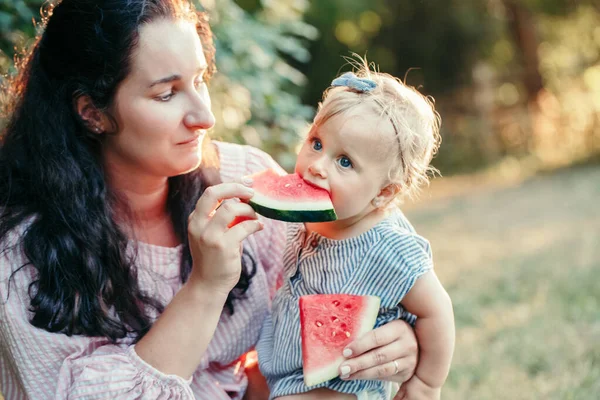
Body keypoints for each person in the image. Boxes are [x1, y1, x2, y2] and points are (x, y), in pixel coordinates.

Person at [0, 1, 420, 399]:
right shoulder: (17, 256)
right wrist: (206, 285)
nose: (206, 116)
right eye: (167, 94)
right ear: (92, 111)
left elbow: (367, 247)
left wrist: (395, 336)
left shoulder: (246, 176)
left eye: (200, 80)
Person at [255, 61, 455, 400]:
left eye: (344, 161)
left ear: (384, 193)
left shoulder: (388, 246)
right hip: (287, 379)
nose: (317, 165)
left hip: (346, 386)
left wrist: (426, 383)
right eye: (316, 142)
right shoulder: (303, 216)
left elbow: (437, 310)